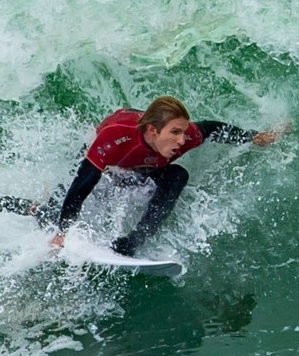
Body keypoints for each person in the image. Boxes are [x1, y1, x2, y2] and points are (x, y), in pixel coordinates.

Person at [35, 97, 282, 255]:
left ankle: (133, 241)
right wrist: (63, 233)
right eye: (174, 132)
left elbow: (210, 129)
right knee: (54, 212)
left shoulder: (184, 138)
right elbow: (83, 183)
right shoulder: (116, 138)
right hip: (108, 160)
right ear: (153, 131)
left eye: (183, 132)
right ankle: (28, 208)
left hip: (141, 166)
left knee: (177, 174)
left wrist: (252, 137)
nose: (182, 140)